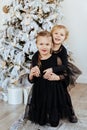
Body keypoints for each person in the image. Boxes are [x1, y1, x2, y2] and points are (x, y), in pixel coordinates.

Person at [43, 25, 82, 123]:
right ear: (51, 34)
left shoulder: (63, 50)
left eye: (61, 34)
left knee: (63, 94)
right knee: (47, 93)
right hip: (47, 71)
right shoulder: (48, 45)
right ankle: (47, 112)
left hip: (59, 72)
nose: (58, 36)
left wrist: (53, 70)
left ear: (65, 38)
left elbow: (64, 66)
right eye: (56, 33)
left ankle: (70, 113)